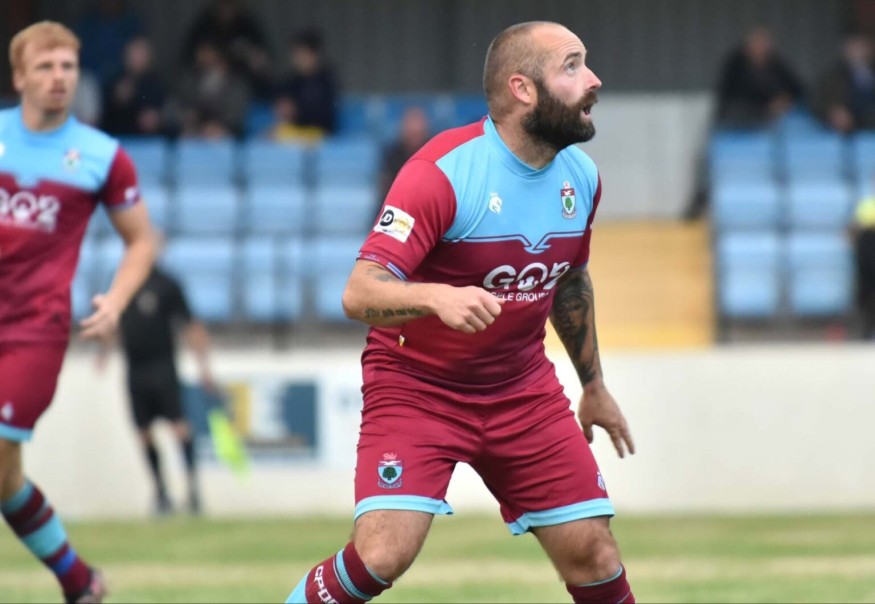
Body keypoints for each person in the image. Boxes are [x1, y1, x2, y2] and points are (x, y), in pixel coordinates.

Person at [286, 21, 635, 604]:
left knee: (594, 554)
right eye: (572, 66)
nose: (594, 80)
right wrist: (434, 296)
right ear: (523, 89)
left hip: (522, 391)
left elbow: (569, 281)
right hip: (418, 388)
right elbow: (358, 292)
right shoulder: (442, 172)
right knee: (382, 555)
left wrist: (593, 386)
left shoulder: (582, 178)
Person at [0, 21, 156, 604]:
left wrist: (116, 299)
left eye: (67, 66)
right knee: (5, 477)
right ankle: (80, 581)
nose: (58, 77)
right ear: (19, 76)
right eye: (44, 66)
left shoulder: (101, 156)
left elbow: (142, 241)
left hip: (34, 332)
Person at [96, 250, 214, 516]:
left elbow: (190, 325)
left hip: (164, 369)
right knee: (144, 434)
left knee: (179, 428)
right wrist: (104, 352)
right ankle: (161, 493)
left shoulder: (167, 284)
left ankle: (193, 490)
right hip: (135, 370)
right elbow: (112, 321)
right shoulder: (122, 284)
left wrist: (204, 367)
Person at [714, 25, 805, 128]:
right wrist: (766, 108)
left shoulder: (777, 65)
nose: (761, 48)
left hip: (776, 118)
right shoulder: (735, 66)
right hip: (741, 118)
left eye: (764, 45)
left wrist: (785, 100)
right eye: (757, 44)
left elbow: (797, 88)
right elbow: (729, 95)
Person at [270, 29, 338, 140]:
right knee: (269, 136)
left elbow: (325, 115)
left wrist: (296, 110)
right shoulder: (293, 79)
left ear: (314, 55)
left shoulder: (326, 80)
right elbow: (275, 93)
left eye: (302, 55)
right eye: (296, 55)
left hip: (319, 133)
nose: (298, 60)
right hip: (296, 132)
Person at [101, 36, 166, 137]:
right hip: (117, 137)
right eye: (134, 53)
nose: (137, 58)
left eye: (141, 54)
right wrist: (117, 99)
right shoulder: (113, 79)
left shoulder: (157, 84)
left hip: (147, 140)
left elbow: (156, 117)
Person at [814, 31, 875, 133]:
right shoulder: (832, 77)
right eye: (853, 47)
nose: (857, 52)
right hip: (846, 128)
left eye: (861, 47)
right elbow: (818, 100)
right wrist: (832, 112)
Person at [376, 106, 432, 212]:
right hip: (397, 208)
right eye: (411, 123)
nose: (415, 128)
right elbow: (385, 186)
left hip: (428, 208)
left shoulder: (435, 151)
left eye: (418, 123)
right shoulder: (391, 153)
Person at [851, 191, 875, 338]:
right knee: (866, 296)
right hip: (866, 246)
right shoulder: (866, 204)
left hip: (866, 244)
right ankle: (867, 331)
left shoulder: (865, 204)